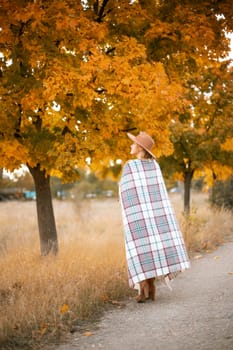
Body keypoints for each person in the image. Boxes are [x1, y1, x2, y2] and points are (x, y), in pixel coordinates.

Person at [119, 131, 190, 302]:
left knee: (143, 247)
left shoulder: (130, 166)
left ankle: (145, 288)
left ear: (139, 148)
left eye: (133, 143)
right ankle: (148, 287)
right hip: (151, 214)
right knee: (146, 248)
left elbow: (124, 190)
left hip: (139, 215)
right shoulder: (154, 166)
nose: (130, 145)